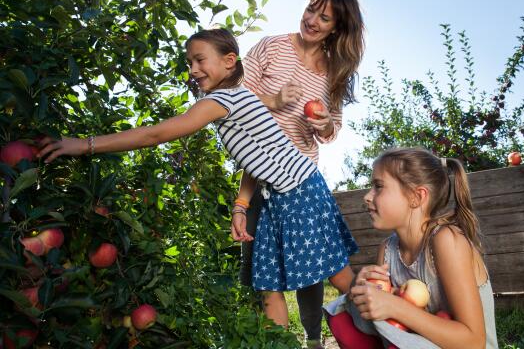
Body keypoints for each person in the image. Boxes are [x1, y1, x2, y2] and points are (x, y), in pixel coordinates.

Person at [36, 27, 359, 332]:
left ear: (229, 61)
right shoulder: (241, 100)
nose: (192, 69)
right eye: (189, 62)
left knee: (337, 274)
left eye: (200, 59)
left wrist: (84, 145)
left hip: (298, 191)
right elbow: (257, 157)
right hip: (285, 192)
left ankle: (384, 325)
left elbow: (155, 134)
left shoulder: (223, 101)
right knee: (268, 284)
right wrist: (240, 206)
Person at [231, 0, 365, 348]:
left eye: (325, 17)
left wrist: (325, 125)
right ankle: (280, 341)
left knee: (316, 267)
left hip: (300, 176)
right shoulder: (271, 48)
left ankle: (313, 339)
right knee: (262, 270)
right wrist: (271, 100)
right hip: (258, 173)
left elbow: (332, 128)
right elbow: (232, 98)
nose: (313, 21)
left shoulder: (334, 70)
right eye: (311, 10)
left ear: (336, 26)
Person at [324, 148, 498, 349]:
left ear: (417, 197)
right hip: (421, 342)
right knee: (344, 316)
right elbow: (388, 325)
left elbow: (473, 342)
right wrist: (362, 289)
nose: (367, 196)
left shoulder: (447, 240)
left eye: (378, 186)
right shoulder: (388, 250)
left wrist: (396, 307)